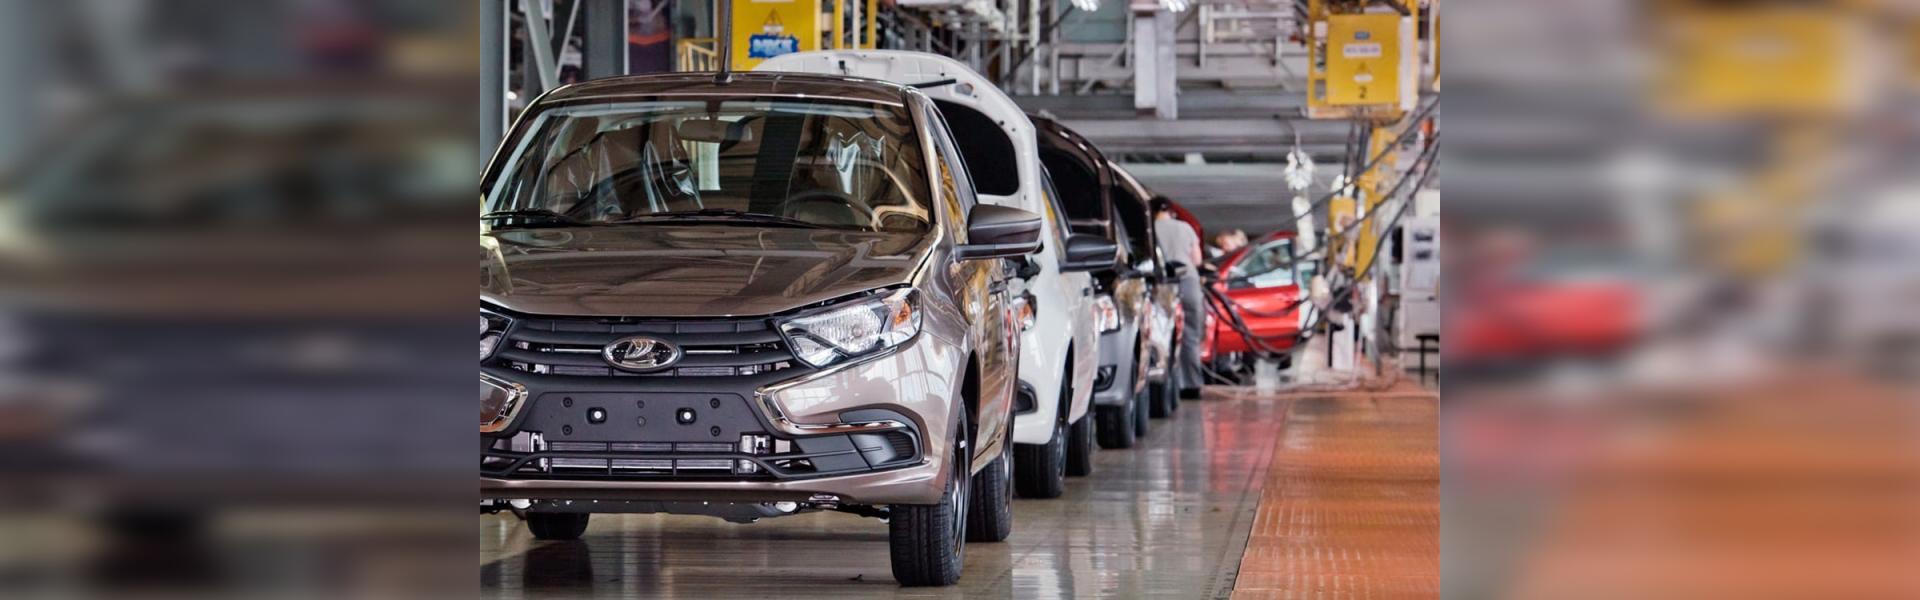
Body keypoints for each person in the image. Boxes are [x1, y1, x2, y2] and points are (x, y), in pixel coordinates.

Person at [1152, 196, 1206, 398]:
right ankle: (1192, 385)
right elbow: (1197, 260)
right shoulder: (1185, 227)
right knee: (1191, 333)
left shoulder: (1150, 229)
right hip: (1189, 281)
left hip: (1164, 284)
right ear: (1170, 211)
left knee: (1163, 334)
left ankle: (1167, 386)